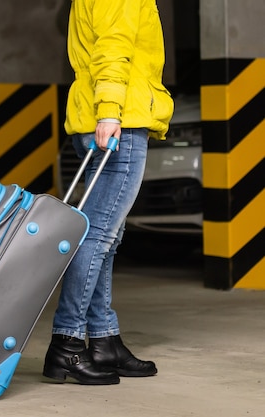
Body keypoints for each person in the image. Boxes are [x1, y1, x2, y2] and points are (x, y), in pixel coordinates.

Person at [43, 0, 174, 385]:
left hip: (98, 113)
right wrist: (111, 110)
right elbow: (113, 46)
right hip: (120, 118)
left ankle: (103, 339)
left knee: (106, 235)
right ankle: (67, 343)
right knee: (98, 234)